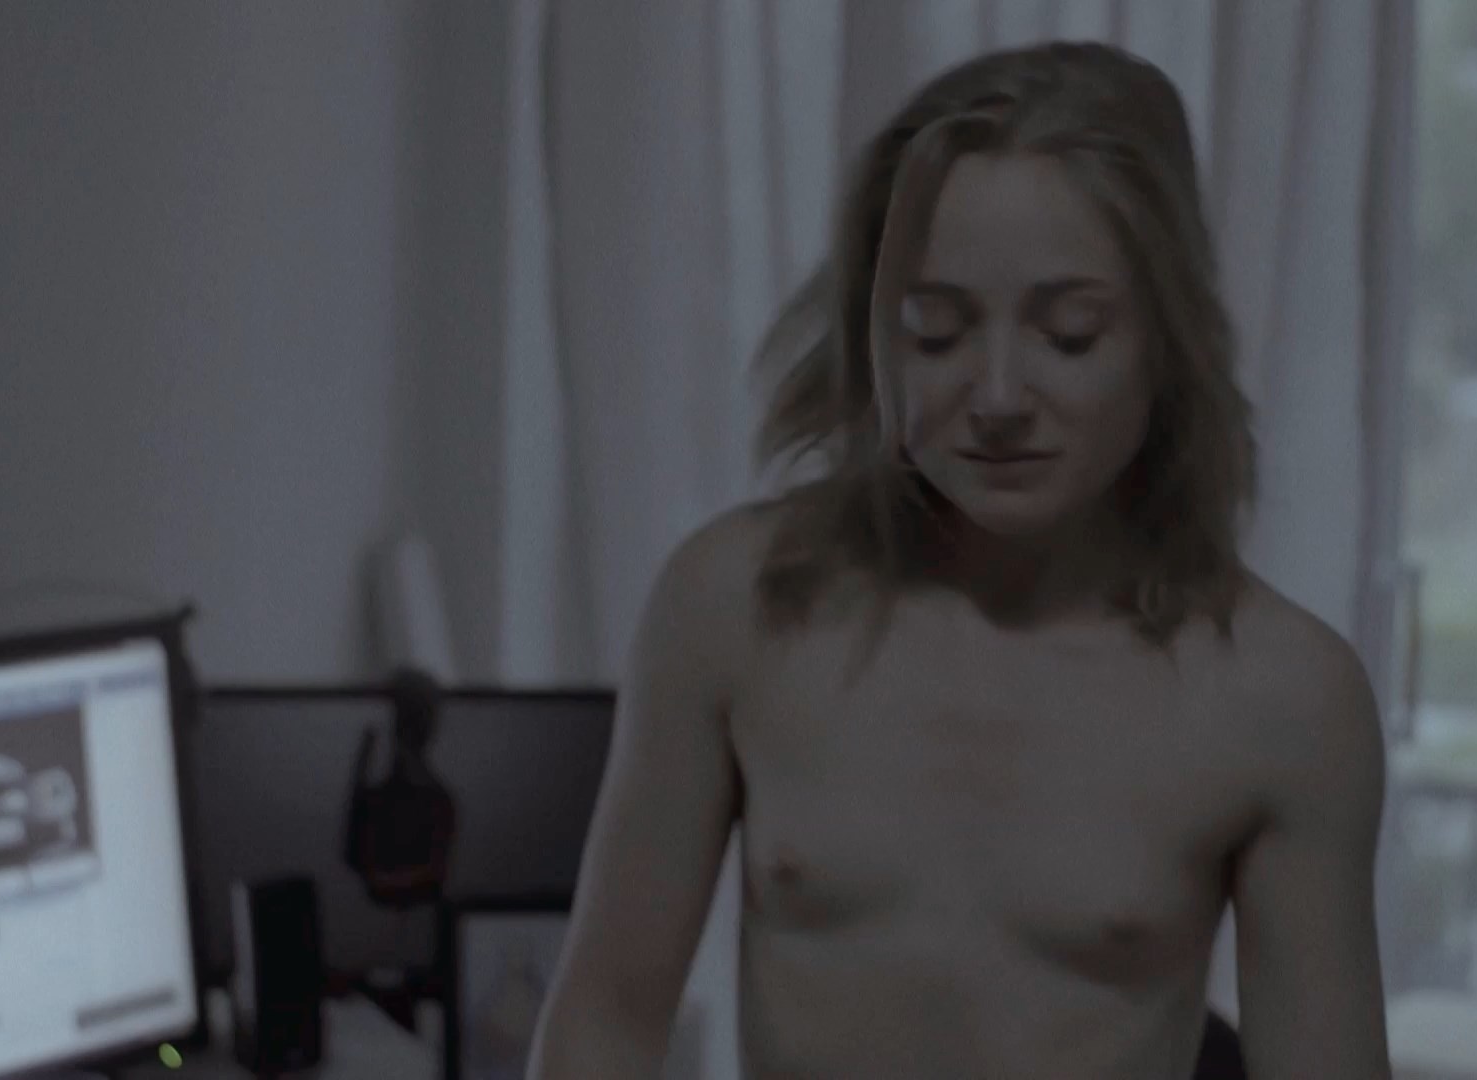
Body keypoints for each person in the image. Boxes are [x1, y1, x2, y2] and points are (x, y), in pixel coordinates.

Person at [530, 41, 1390, 1080]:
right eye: (934, 332)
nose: (996, 396)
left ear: (1168, 341)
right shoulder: (734, 608)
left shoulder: (1284, 700)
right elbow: (604, 1023)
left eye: (1069, 334)